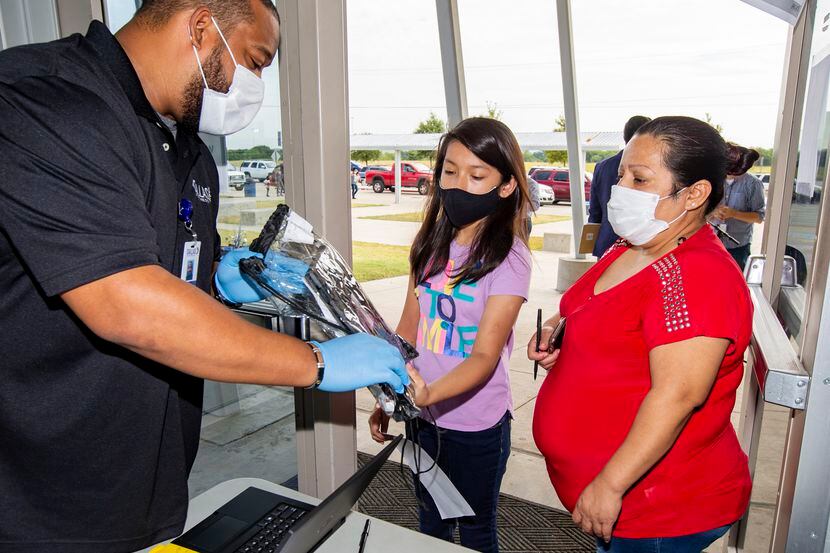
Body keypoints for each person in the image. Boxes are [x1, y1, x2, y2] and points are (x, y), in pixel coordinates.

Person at [0, 2, 407, 552]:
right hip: (37, 498)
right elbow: (127, 303)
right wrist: (316, 362)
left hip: (149, 484)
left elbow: (176, 270)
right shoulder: (44, 99)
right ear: (200, 28)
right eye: (256, 61)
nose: (257, 84)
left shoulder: (191, 153)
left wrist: (222, 279)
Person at [528, 116, 752, 553]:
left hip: (658, 509)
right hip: (624, 499)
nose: (620, 187)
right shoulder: (632, 243)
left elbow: (677, 396)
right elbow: (590, 309)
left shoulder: (699, 276)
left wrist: (611, 485)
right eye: (622, 173)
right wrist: (559, 332)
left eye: (640, 178)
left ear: (695, 194)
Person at [369, 117, 532, 553]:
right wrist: (391, 394)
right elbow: (407, 328)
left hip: (477, 425)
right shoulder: (428, 243)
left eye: (477, 175)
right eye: (450, 171)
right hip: (422, 418)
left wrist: (427, 395)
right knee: (430, 518)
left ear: (505, 186)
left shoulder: (509, 259)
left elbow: (484, 357)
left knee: (477, 529)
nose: (459, 184)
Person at [588, 115, 651, 256]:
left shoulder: (602, 167)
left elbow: (595, 212)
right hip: (638, 246)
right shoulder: (652, 168)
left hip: (606, 244)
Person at [711, 143, 766, 270]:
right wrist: (712, 212)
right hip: (711, 243)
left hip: (738, 248)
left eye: (735, 173)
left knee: (734, 286)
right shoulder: (714, 179)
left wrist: (734, 214)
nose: (729, 175)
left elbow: (759, 217)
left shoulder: (753, 184)